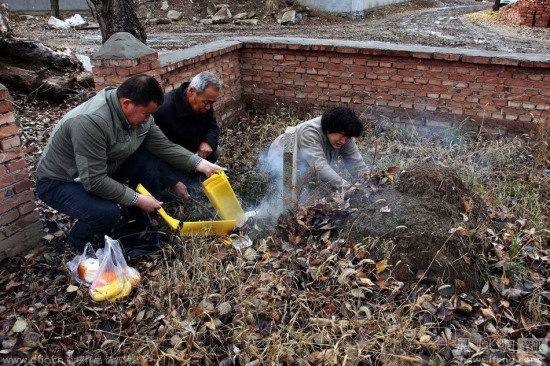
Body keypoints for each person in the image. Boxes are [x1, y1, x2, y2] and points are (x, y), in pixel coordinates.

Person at [35, 74, 224, 251]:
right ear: (126, 103)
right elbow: (94, 180)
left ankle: (138, 217)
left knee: (147, 159)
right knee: (107, 213)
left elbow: (163, 146)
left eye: (151, 114)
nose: (149, 120)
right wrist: (137, 198)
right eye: (146, 114)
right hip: (61, 181)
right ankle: (80, 243)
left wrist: (201, 164)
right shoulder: (90, 122)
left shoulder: (140, 115)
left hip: (103, 167)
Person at [267, 106, 369, 194]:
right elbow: (319, 165)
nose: (344, 141)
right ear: (329, 129)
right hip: (282, 155)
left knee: (317, 187)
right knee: (290, 191)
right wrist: (346, 186)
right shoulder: (309, 132)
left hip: (308, 161)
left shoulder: (346, 134)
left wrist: (369, 181)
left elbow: (356, 162)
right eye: (342, 136)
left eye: (348, 138)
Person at [153, 71, 222, 192]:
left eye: (212, 103)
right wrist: (173, 182)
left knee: (215, 150)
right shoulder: (164, 110)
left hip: (193, 155)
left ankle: (195, 182)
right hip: (171, 161)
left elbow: (212, 126)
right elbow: (155, 153)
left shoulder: (206, 104)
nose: (208, 107)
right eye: (206, 102)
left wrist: (207, 141)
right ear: (191, 92)